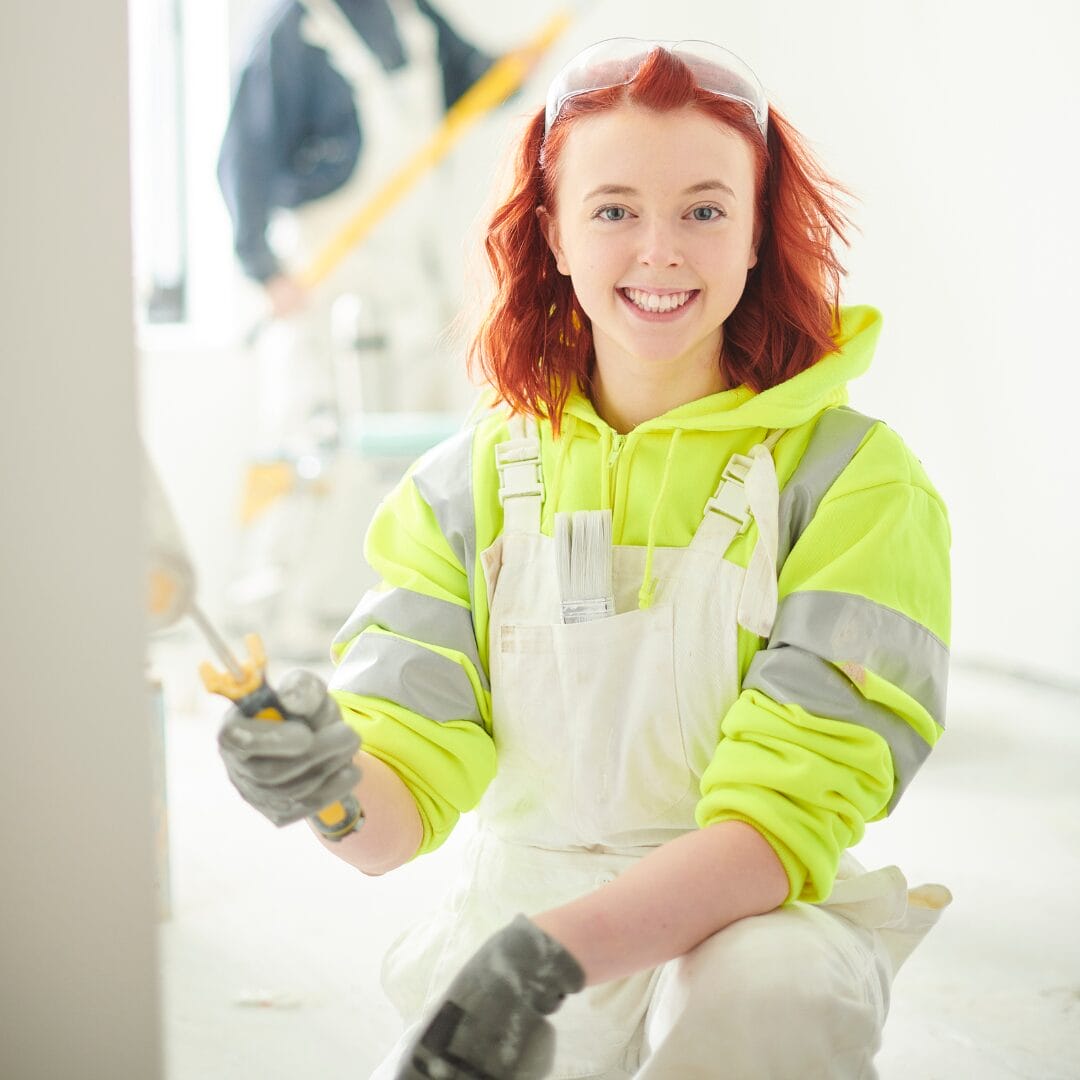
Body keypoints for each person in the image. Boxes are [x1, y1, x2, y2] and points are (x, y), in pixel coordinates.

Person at [217, 37, 953, 1079]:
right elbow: (389, 824)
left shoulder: (858, 486)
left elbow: (776, 827)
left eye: (704, 210)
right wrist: (325, 780)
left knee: (765, 994)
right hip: (517, 941)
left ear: (755, 236)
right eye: (613, 210)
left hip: (741, 927)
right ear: (552, 233)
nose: (660, 252)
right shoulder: (460, 490)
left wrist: (545, 960)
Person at [217, 0, 493, 652]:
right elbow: (243, 155)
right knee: (308, 440)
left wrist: (513, 68)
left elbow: (474, 80)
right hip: (322, 272)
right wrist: (264, 266)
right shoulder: (296, 30)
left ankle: (407, 615)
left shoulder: (414, 18)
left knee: (421, 453)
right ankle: (268, 611)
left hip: (408, 272)